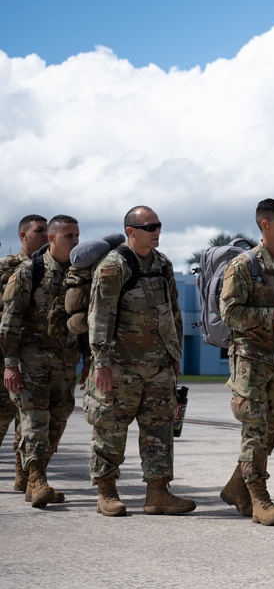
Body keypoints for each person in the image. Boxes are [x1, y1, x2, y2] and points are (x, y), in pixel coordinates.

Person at [85, 206, 195, 517]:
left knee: (159, 430)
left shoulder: (163, 264)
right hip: (120, 365)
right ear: (131, 231)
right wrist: (101, 363)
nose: (157, 231)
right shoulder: (112, 266)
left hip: (158, 365)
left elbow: (173, 312)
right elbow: (99, 316)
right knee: (110, 429)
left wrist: (175, 355)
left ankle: (158, 493)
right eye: (150, 226)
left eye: (159, 225)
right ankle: (106, 492)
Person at [219, 198, 274, 526]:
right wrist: (272, 314)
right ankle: (259, 497)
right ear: (265, 225)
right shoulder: (244, 265)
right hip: (250, 362)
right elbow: (229, 312)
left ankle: (236, 487)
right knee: (255, 428)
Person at [1, 215, 80, 508]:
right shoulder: (27, 272)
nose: (75, 242)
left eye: (77, 236)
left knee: (58, 419)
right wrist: (10, 362)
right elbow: (10, 320)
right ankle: (39, 478)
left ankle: (34, 480)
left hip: (66, 362)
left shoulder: (79, 272)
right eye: (68, 236)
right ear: (52, 238)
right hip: (31, 359)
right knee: (35, 418)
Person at [0, 214, 48, 492]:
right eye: (38, 231)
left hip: (34, 357)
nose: (44, 235)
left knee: (27, 421)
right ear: (23, 235)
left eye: (46, 230)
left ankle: (24, 476)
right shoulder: (8, 267)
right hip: (6, 354)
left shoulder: (50, 267)